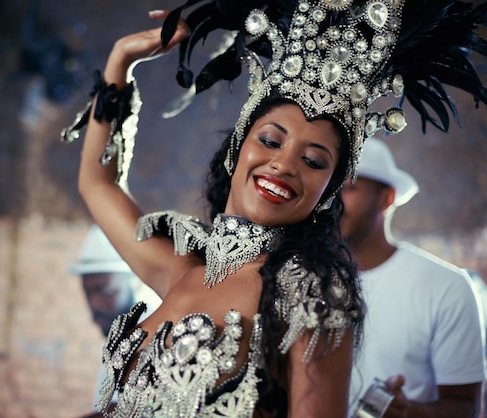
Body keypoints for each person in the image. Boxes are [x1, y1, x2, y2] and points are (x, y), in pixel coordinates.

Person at [63, 1, 487, 416]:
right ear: (237, 148)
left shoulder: (311, 300)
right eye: (270, 140)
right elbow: (97, 183)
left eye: (314, 161)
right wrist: (122, 59)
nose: (284, 164)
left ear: (328, 193)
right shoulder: (182, 265)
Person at [341, 137, 487, 417]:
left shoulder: (447, 287)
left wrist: (407, 411)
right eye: (329, 189)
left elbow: (466, 406)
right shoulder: (296, 277)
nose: (333, 202)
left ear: (387, 198)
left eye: (349, 188)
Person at [71, 225, 161, 413]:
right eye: (88, 293)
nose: (95, 303)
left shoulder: (152, 335)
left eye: (105, 291)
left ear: (135, 282)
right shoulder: (117, 337)